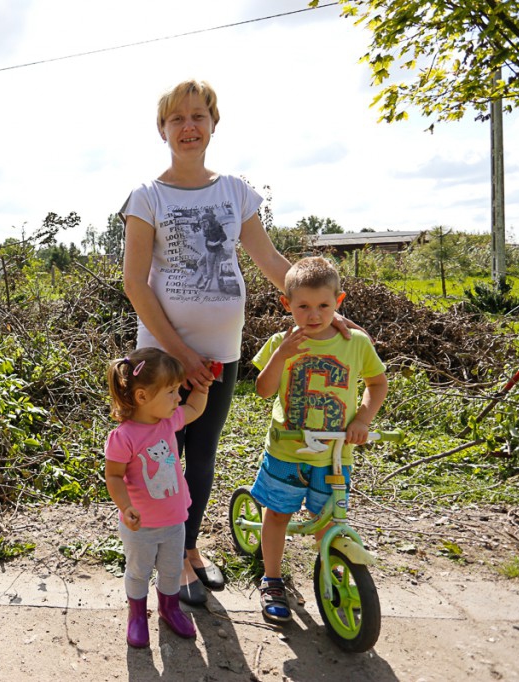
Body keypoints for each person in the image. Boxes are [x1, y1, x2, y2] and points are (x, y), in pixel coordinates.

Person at [120, 79, 355, 606]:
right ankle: (152, 555)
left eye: (198, 116)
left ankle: (185, 551)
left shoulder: (234, 192)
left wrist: (324, 310)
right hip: (162, 359)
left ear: (212, 124)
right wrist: (182, 355)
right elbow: (135, 283)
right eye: (177, 118)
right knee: (159, 457)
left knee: (201, 457)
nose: (188, 127)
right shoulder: (146, 198)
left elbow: (273, 264)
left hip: (221, 355)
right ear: (162, 129)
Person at [251, 256, 388, 623]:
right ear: (287, 305)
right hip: (287, 450)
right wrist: (281, 354)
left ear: (338, 302)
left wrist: (363, 417)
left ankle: (334, 572)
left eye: (324, 306)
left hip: (335, 455)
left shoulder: (355, 343)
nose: (314, 315)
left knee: (327, 519)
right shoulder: (281, 342)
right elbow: (263, 390)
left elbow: (377, 383)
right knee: (278, 514)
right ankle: (273, 578)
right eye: (304, 307)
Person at [104, 347, 208, 648]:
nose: (179, 398)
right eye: (172, 392)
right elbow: (113, 476)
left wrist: (201, 386)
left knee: (172, 569)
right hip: (141, 526)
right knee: (139, 571)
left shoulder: (167, 421)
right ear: (142, 397)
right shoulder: (123, 437)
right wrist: (126, 507)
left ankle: (169, 608)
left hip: (175, 521)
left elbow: (194, 410)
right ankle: (137, 614)